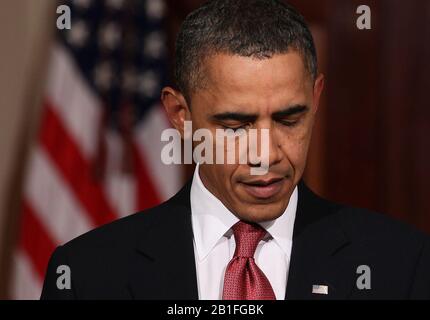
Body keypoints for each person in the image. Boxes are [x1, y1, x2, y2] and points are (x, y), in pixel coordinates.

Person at [41, 0, 430, 300]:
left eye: (289, 119)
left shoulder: (402, 265)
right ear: (180, 114)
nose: (266, 154)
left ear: (315, 99)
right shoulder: (87, 276)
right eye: (236, 125)